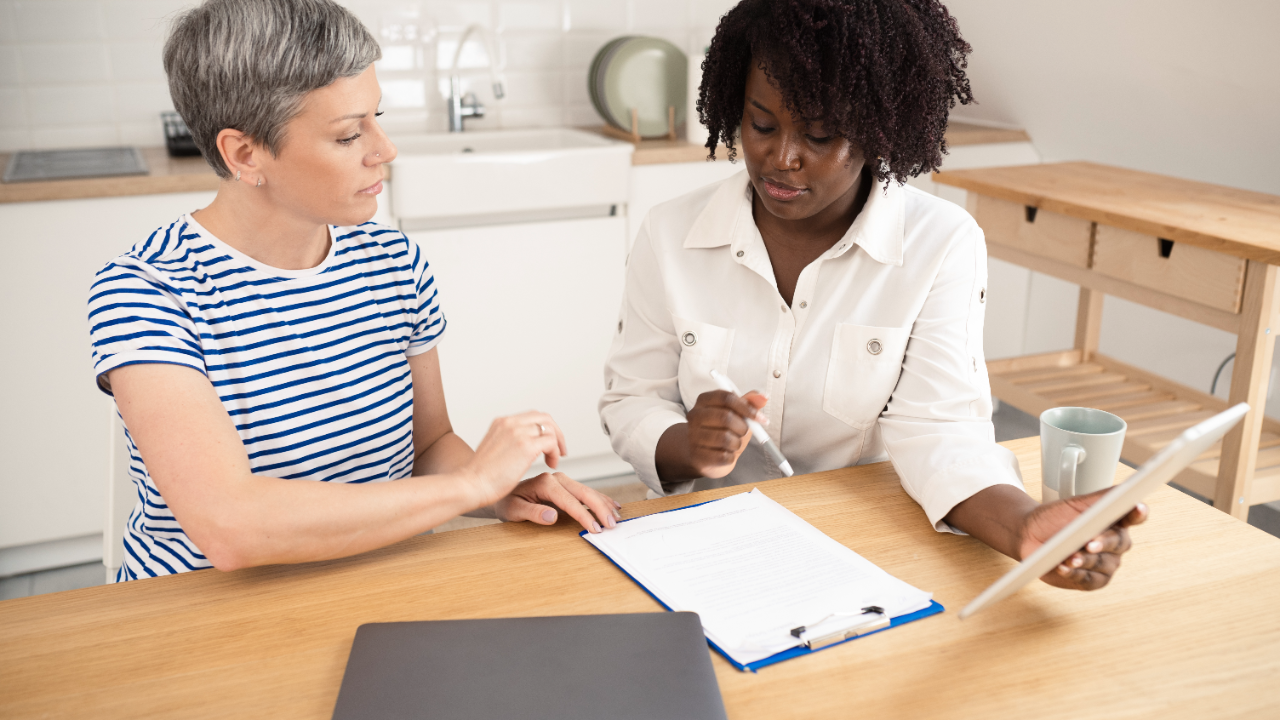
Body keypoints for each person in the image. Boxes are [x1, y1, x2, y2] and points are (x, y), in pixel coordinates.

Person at [599, 0, 1145, 591]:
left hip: (860, 545)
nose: (781, 157)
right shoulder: (670, 233)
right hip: (700, 544)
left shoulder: (940, 243)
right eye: (761, 125)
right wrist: (689, 446)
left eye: (819, 135)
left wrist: (1023, 528)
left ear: (880, 130)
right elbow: (632, 399)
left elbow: (941, 430)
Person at [89, 0, 618, 582]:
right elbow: (231, 528)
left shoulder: (392, 261)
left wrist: (504, 490)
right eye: (348, 135)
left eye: (377, 117)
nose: (384, 148)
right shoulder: (149, 291)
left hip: (380, 579)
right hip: (204, 613)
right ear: (244, 154)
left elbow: (430, 443)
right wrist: (470, 484)